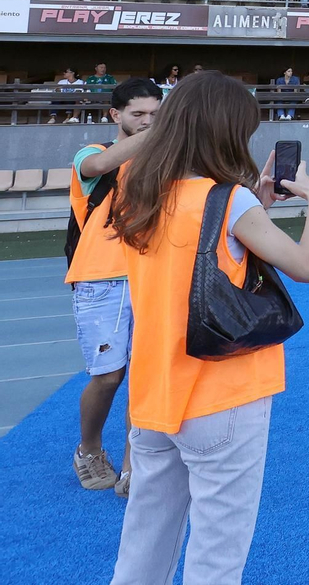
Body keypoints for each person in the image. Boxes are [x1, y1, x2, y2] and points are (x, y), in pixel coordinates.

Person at [107, 72, 309, 585]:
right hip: (222, 394)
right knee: (217, 558)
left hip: (155, 394)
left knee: (143, 546)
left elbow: (196, 251)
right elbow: (305, 265)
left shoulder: (138, 190)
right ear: (227, 131)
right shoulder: (230, 201)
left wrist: (257, 202)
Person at [66, 78, 161, 497]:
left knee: (144, 375)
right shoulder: (93, 153)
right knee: (109, 376)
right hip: (100, 278)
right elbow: (99, 170)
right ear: (115, 115)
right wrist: (159, 135)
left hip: (154, 273)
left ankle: (130, 466)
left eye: (156, 115)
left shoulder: (163, 159)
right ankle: (88, 450)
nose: (146, 122)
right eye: (138, 114)